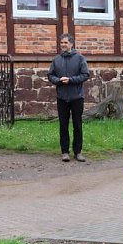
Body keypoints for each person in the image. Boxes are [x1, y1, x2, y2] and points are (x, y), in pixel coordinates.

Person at [48, 33, 90, 162]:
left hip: (77, 97)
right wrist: (59, 80)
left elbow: (85, 75)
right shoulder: (56, 59)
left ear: (71, 44)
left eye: (65, 43)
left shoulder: (80, 58)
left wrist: (70, 80)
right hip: (62, 97)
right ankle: (65, 152)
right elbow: (50, 75)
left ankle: (78, 152)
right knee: (63, 125)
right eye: (61, 43)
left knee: (77, 125)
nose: (63, 45)